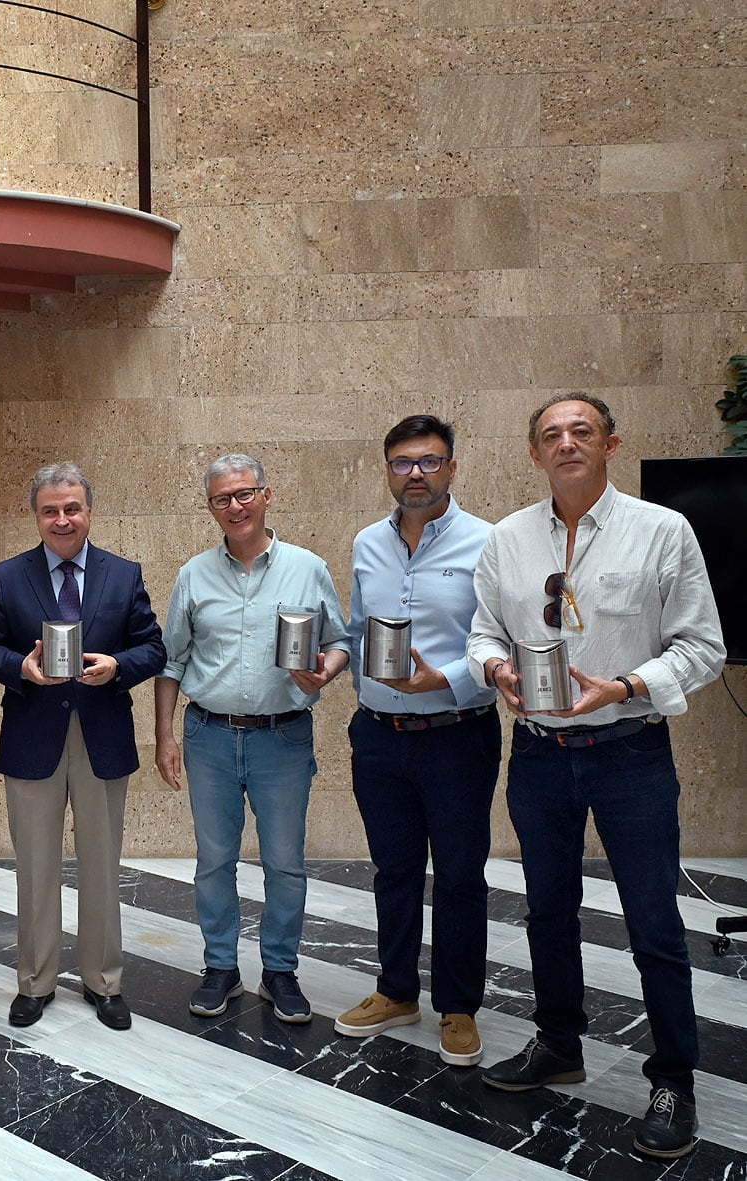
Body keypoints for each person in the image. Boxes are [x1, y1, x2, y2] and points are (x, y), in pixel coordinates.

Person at [468, 393, 724, 1161]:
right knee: (547, 911)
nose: (567, 442)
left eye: (582, 430)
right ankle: (558, 1041)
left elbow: (702, 646)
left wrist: (625, 685)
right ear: (533, 452)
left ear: (612, 442)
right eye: (551, 434)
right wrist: (496, 668)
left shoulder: (662, 531)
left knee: (653, 923)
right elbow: (483, 629)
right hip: (540, 752)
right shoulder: (508, 539)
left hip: (629, 751)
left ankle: (673, 1077)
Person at [153, 453, 349, 1025]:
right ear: (210, 507)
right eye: (221, 499)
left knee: (285, 862)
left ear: (267, 495)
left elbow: (339, 640)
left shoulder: (308, 568)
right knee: (214, 861)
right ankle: (220, 967)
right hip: (208, 736)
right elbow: (171, 663)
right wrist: (165, 738)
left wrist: (326, 671)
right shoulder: (194, 574)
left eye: (244, 494)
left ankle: (281, 971)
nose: (234, 507)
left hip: (282, 739)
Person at [0, 462, 165, 1032]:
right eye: (50, 510)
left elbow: (153, 648)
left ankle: (104, 982)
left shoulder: (123, 573)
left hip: (102, 736)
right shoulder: (7, 577)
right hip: (34, 737)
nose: (63, 519)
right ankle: (35, 982)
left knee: (102, 864)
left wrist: (118, 666)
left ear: (89, 511)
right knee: (34, 865)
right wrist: (23, 669)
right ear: (36, 515)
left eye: (72, 508)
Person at [338, 416, 498, 1066]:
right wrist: (328, 666)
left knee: (459, 874)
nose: (415, 473)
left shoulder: (488, 542)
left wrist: (448, 677)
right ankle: (396, 989)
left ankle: (458, 1006)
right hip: (379, 736)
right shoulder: (367, 544)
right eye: (403, 462)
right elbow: (355, 631)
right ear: (388, 470)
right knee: (394, 870)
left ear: (452, 467)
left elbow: (504, 639)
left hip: (457, 735)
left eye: (429, 461)